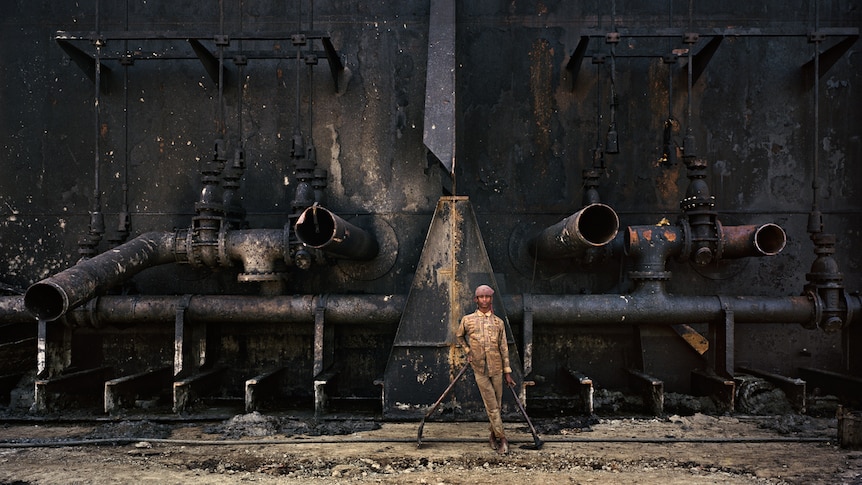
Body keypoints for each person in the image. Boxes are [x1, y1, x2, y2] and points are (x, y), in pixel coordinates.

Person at [456, 284, 516, 454]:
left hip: (497, 368)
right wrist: (468, 351)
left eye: (487, 297)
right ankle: (503, 438)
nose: (484, 300)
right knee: (492, 405)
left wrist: (507, 372)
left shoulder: (499, 323)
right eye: (481, 297)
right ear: (476, 299)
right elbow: (459, 336)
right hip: (479, 369)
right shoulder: (468, 320)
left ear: (491, 299)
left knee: (497, 404)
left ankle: (492, 436)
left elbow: (504, 348)